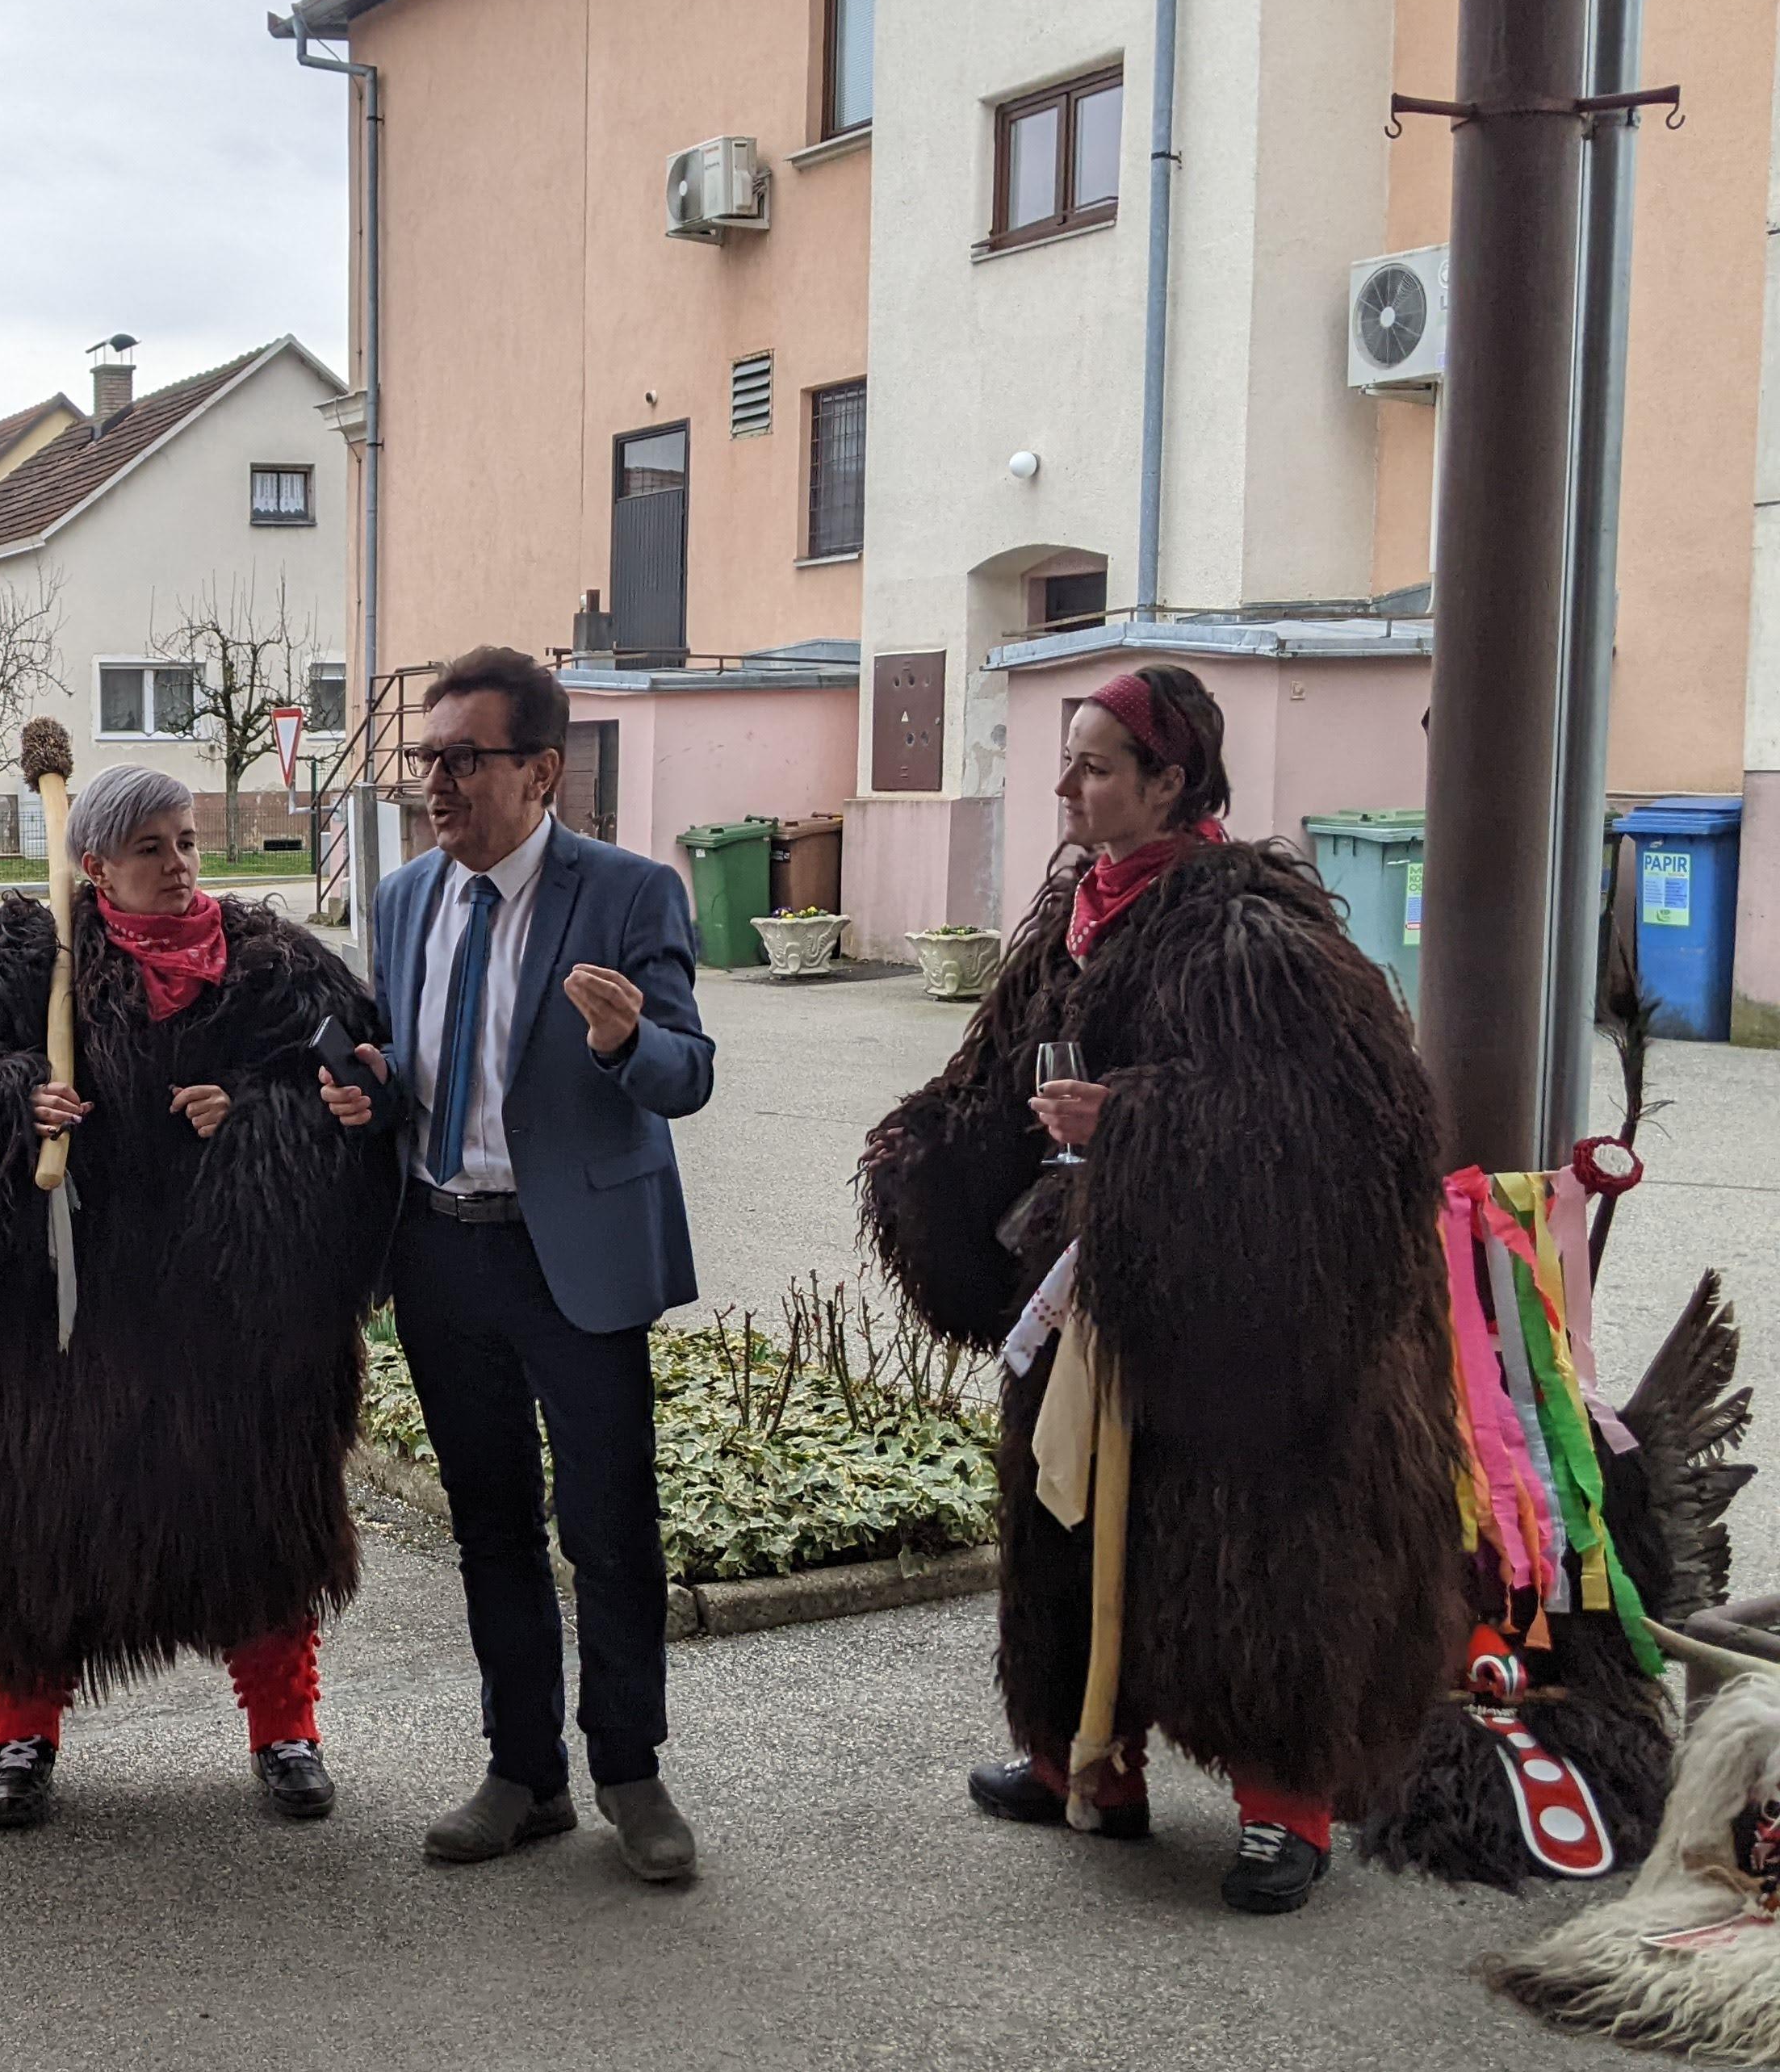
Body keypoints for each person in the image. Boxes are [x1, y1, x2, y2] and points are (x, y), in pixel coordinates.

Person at [859, 663, 1467, 1915]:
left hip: (1234, 1324)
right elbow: (1005, 1078)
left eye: (1093, 766)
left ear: (1169, 782)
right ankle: (1085, 1758)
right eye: (1069, 761)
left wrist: (1133, 1121)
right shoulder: (1080, 915)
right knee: (1066, 1514)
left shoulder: (1258, 936)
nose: (1065, 787)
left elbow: (1345, 1123)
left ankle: (1285, 1804)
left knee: (1250, 1550)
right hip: (1085, 1283)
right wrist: (929, 1149)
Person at [0, 765, 401, 1828]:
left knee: (261, 1528)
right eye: (151, 848)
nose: (179, 866)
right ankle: (21, 1738)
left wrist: (254, 1116)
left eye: (186, 841)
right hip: (61, 1333)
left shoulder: (280, 970)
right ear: (94, 865)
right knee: (31, 1531)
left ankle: (286, 1729)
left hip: (228, 1326)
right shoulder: (16, 966)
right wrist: (13, 1106)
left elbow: (360, 1104)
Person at [319, 647, 716, 1884]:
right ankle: (525, 1772)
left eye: (464, 760)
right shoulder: (404, 898)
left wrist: (626, 1040)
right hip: (442, 1250)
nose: (436, 784)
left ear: (542, 772)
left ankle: (631, 1774)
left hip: (572, 1259)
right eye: (427, 759)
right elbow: (409, 1061)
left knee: (609, 1528)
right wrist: (370, 1089)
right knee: (491, 1525)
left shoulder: (632, 894)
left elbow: (688, 1075)